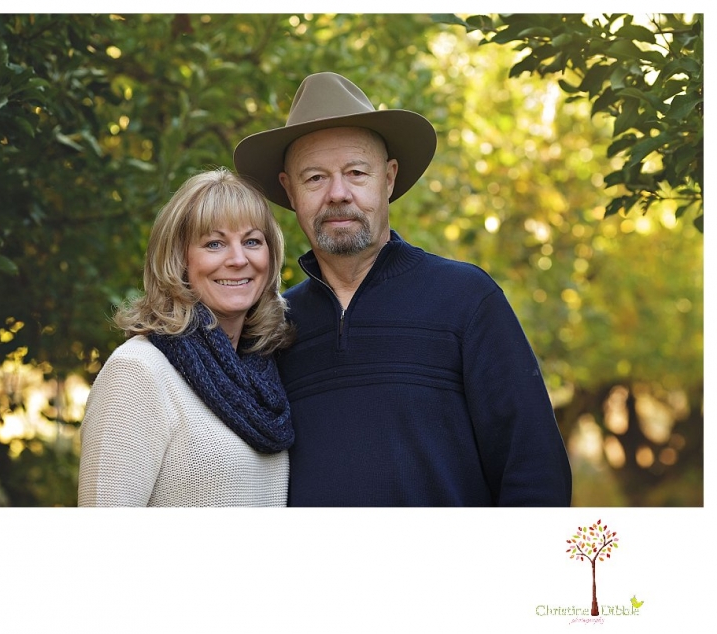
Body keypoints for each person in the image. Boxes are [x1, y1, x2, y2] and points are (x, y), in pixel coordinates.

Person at [234, 72, 572, 506]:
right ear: (290, 190)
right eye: (315, 178)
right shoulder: (271, 326)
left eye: (356, 173)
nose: (338, 194)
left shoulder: (466, 300)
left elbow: (534, 472)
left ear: (389, 179)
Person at [78, 168, 295, 507]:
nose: (238, 259)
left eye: (252, 241)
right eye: (214, 243)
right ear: (179, 260)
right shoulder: (137, 372)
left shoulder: (263, 378)